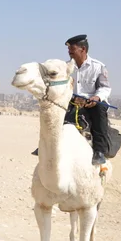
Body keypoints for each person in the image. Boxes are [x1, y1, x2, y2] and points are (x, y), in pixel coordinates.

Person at [32, 34, 111, 165]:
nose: (69, 53)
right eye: (69, 50)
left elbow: (105, 88)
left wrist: (95, 98)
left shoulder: (99, 67)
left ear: (83, 49)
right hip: (71, 101)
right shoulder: (66, 67)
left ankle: (99, 151)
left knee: (100, 109)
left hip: (91, 102)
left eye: (72, 50)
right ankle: (45, 146)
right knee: (52, 114)